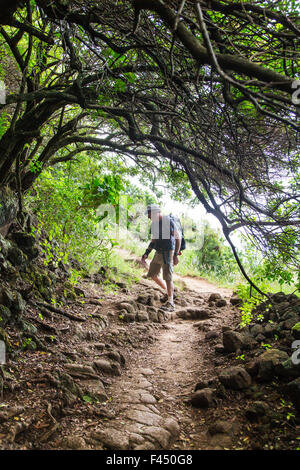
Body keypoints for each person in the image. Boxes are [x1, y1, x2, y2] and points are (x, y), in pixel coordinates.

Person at [141, 204, 181, 312]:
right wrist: (146, 253)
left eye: (149, 215)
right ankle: (169, 293)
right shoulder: (154, 224)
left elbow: (178, 237)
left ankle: (171, 303)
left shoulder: (167, 221)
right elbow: (153, 240)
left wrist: (176, 254)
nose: (148, 217)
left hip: (168, 252)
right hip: (158, 251)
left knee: (168, 277)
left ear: (156, 213)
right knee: (152, 274)